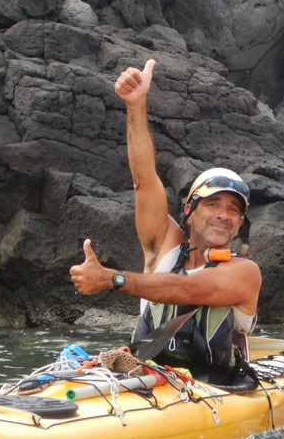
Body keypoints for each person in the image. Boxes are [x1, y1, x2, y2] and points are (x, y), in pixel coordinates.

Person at [69, 59, 261, 383]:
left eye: (233, 210)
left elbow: (185, 290)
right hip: (147, 381)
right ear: (188, 212)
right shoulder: (164, 248)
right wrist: (136, 104)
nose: (223, 215)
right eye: (213, 204)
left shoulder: (244, 273)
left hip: (216, 393)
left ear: (239, 223)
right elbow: (143, 179)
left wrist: (111, 279)